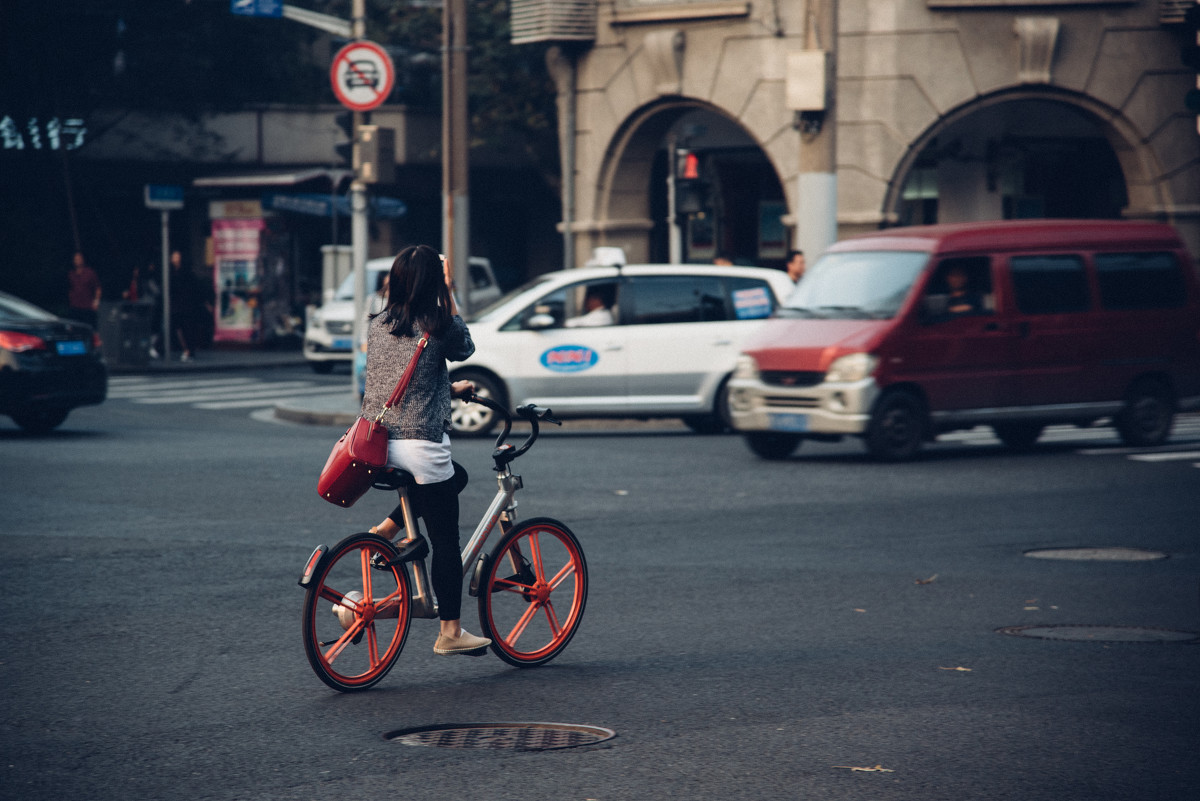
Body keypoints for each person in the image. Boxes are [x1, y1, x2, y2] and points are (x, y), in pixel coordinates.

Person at [361, 244, 491, 656]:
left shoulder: (378, 323)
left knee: (456, 477)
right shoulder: (437, 322)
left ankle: (388, 528)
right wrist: (448, 290)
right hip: (419, 444)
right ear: (433, 282)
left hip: (378, 444)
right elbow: (465, 347)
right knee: (446, 540)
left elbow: (403, 378)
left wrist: (446, 388)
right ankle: (450, 632)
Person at [169, 250, 202, 361]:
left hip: (186, 306)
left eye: (176, 257)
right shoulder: (173, 272)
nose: (174, 259)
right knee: (178, 328)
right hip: (179, 305)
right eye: (173, 257)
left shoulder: (185, 273)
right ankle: (187, 350)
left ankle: (189, 351)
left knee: (186, 329)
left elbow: (192, 289)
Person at [66, 251, 101, 328]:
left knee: (89, 328)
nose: (77, 261)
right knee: (75, 328)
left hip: (87, 307)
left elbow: (98, 288)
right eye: (76, 259)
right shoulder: (71, 274)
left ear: (83, 260)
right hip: (75, 307)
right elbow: (70, 288)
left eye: (79, 259)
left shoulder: (90, 273)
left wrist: (96, 302)